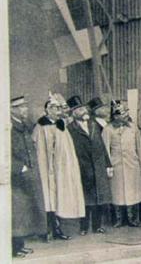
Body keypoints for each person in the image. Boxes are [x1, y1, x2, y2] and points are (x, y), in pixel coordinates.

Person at [32, 92, 85, 241]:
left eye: (58, 108)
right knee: (48, 198)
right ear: (47, 110)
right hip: (47, 169)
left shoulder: (61, 126)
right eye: (53, 108)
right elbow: (40, 151)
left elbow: (67, 149)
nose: (56, 111)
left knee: (59, 198)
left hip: (61, 169)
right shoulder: (41, 127)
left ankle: (57, 229)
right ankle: (47, 230)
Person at [67, 96, 113, 235]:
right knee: (85, 199)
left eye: (84, 108)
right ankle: (83, 227)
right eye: (79, 109)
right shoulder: (70, 129)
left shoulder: (94, 125)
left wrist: (108, 164)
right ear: (74, 113)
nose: (83, 110)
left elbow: (103, 146)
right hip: (82, 167)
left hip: (98, 167)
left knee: (98, 198)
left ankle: (97, 226)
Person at [10, 96, 46, 257]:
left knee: (24, 211)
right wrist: (20, 168)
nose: (25, 109)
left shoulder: (23, 125)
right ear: (13, 109)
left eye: (25, 107)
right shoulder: (10, 127)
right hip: (17, 176)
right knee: (17, 212)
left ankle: (19, 244)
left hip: (27, 173)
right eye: (21, 107)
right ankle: (14, 247)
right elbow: (6, 152)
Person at [102, 100, 141, 228]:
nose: (126, 115)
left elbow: (139, 146)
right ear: (115, 115)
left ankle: (133, 219)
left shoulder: (133, 128)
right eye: (123, 113)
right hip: (116, 165)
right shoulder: (108, 129)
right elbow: (105, 149)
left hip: (132, 164)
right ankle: (118, 219)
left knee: (133, 192)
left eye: (126, 112)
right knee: (118, 193)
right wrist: (108, 166)